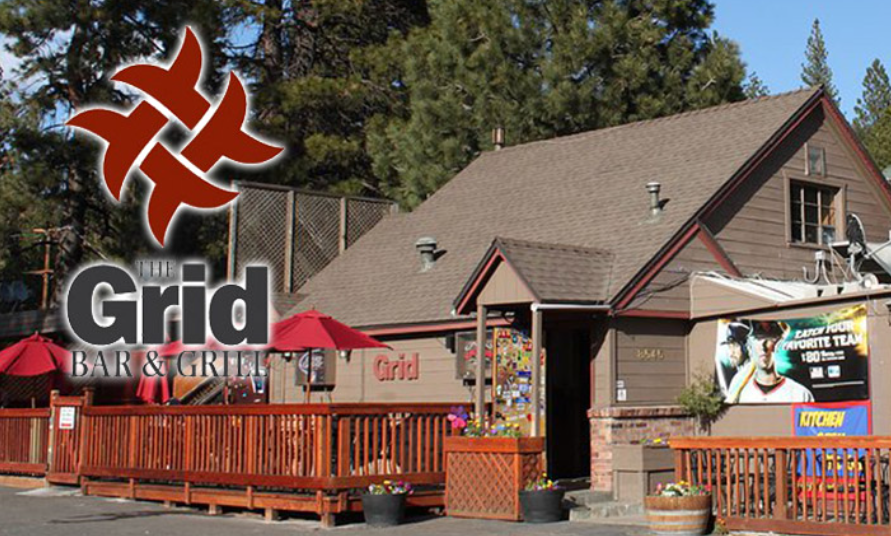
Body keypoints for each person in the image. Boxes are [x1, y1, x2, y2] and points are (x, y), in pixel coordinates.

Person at [733, 321, 814, 404]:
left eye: (768, 339)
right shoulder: (740, 393)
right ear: (749, 348)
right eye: (758, 339)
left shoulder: (800, 394)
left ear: (777, 346)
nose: (763, 347)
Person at [717, 321, 752, 396]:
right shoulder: (738, 377)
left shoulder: (751, 374)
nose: (731, 353)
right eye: (729, 347)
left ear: (746, 347)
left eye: (735, 346)